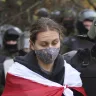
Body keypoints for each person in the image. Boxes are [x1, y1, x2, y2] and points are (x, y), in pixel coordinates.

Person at [2, 17, 86, 96]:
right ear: (32, 45)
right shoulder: (18, 73)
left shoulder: (70, 74)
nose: (50, 48)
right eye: (44, 44)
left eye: (54, 43)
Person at [0, 27, 22, 95]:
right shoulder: (1, 56)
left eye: (13, 41)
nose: (11, 43)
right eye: (9, 41)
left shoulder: (22, 55)